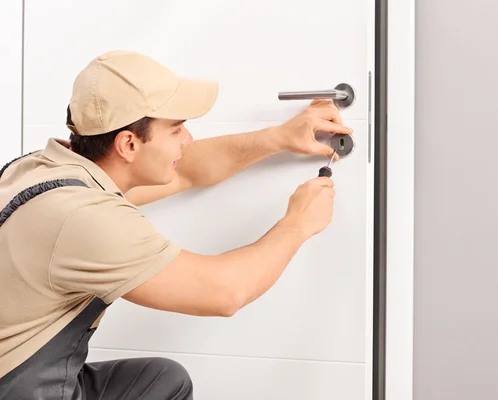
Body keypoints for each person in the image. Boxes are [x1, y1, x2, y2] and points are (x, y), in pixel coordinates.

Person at [0, 50, 353, 399]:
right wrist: (298, 223)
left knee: (161, 380)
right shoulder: (84, 219)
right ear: (129, 143)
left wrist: (278, 137)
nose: (188, 139)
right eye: (176, 128)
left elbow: (185, 169)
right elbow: (224, 293)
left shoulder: (44, 169)